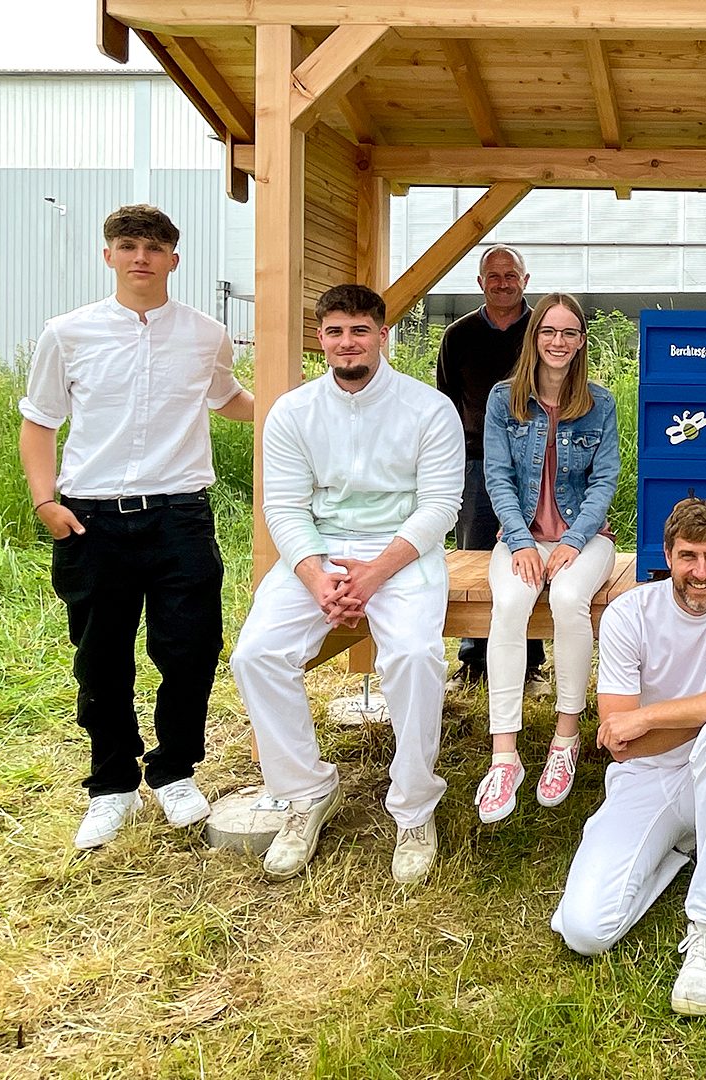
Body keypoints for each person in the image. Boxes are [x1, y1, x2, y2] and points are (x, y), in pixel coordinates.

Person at [18, 204, 254, 851]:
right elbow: (40, 422)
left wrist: (291, 412)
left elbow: (226, 397)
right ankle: (111, 785)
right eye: (128, 246)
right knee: (101, 660)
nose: (141, 257)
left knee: (191, 650)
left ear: (174, 259)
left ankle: (175, 770)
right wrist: (46, 503)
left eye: (154, 247)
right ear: (109, 256)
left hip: (180, 516)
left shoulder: (206, 334)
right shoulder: (68, 334)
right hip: (92, 520)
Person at [228, 284, 464, 884]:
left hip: (403, 552)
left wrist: (375, 572)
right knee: (256, 655)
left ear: (382, 335)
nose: (347, 343)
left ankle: (413, 808)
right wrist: (314, 575)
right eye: (334, 331)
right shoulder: (292, 411)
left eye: (359, 330)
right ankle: (306, 793)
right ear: (321, 339)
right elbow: (283, 507)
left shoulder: (428, 409)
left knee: (414, 655)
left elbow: (441, 506)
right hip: (319, 553)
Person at [551, 498, 706, 1017]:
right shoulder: (630, 613)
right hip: (645, 777)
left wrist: (652, 717)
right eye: (688, 557)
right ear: (667, 557)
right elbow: (620, 741)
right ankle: (678, 848)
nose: (701, 573)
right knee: (586, 931)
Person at [473, 293, 622, 822]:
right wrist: (519, 541)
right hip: (519, 538)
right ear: (534, 337)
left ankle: (565, 740)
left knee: (568, 598)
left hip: (585, 539)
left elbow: (605, 480)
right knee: (510, 606)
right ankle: (505, 754)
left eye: (569, 333)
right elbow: (498, 476)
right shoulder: (503, 399)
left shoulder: (599, 404)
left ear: (581, 341)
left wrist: (572, 542)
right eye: (548, 332)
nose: (558, 342)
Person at [436, 245, 546, 693]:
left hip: (538, 460)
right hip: (476, 459)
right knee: (476, 556)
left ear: (525, 278)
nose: (503, 282)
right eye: (493, 276)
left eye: (511, 274)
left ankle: (532, 661)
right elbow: (444, 402)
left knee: (532, 555)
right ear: (480, 283)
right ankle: (473, 658)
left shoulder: (544, 329)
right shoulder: (458, 335)